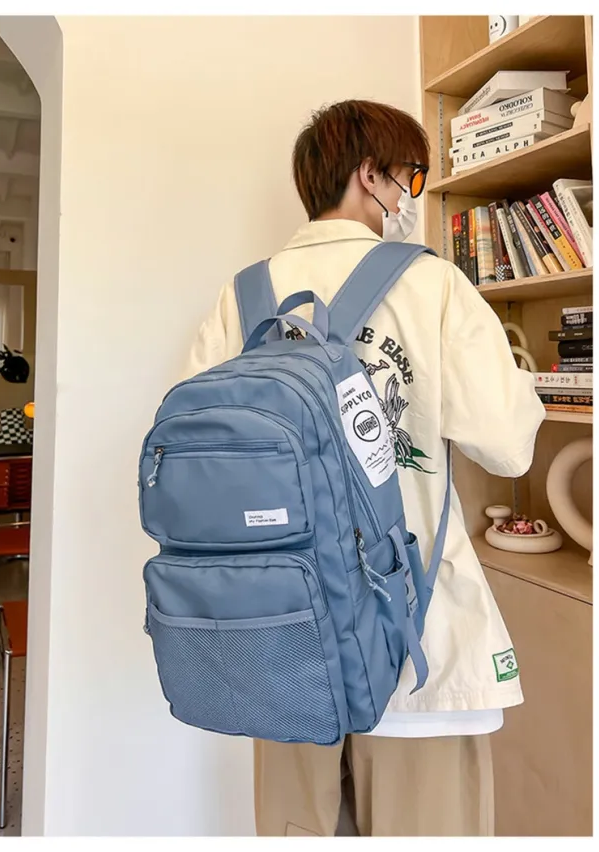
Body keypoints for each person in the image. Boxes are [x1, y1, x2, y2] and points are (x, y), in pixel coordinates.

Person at [179, 100, 545, 837]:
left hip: (279, 645)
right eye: (411, 175)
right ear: (370, 174)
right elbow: (509, 447)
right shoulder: (434, 285)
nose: (411, 196)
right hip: (415, 644)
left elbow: (196, 469)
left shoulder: (242, 296)